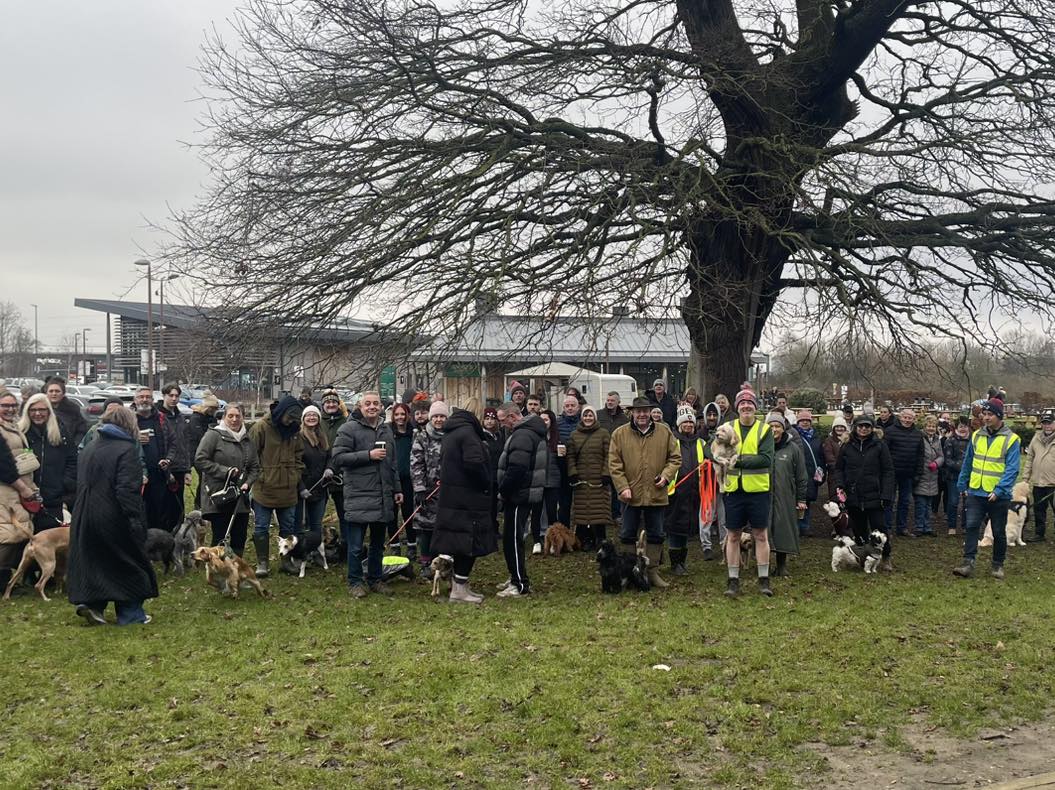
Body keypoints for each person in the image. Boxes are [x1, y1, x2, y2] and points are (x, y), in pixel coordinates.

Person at [66, 405, 158, 626]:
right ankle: (131, 613)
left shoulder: (91, 446)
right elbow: (127, 489)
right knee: (127, 561)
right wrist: (135, 520)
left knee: (95, 561)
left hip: (84, 512)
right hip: (113, 514)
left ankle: (93, 605)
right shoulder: (126, 450)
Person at [331, 391, 402, 597]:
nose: (372, 407)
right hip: (359, 495)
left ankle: (375, 579)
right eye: (367, 404)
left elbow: (393, 463)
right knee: (355, 546)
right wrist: (367, 455)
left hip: (382, 496)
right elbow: (338, 458)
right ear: (360, 407)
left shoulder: (386, 430)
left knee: (378, 545)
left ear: (381, 407)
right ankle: (355, 582)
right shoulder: (348, 429)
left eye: (376, 404)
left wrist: (396, 489)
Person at [608, 396, 680, 589]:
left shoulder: (664, 432)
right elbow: (614, 464)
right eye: (638, 411)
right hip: (630, 494)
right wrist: (622, 487)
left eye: (645, 411)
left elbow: (675, 458)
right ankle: (630, 572)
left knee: (656, 533)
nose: (642, 414)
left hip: (656, 493)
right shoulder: (619, 434)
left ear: (650, 412)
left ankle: (652, 572)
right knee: (627, 534)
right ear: (632, 412)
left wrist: (666, 477)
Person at [431, 406, 498, 603]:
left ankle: (460, 585)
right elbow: (475, 464)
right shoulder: (468, 435)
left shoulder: (451, 434)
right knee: (469, 543)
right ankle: (459, 589)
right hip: (469, 499)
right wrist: (486, 483)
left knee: (459, 543)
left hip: (453, 498)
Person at [953, 397, 1020, 580]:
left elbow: (1013, 469)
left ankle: (997, 565)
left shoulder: (1012, 439)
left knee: (998, 531)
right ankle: (968, 563)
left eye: (990, 414)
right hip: (976, 490)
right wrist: (962, 483)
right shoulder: (976, 435)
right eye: (985, 414)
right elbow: (968, 461)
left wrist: (999, 490)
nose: (986, 418)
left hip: (998, 495)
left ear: (999, 416)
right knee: (972, 526)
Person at [719, 385, 775, 598]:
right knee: (732, 536)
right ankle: (733, 581)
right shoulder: (728, 426)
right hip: (733, 491)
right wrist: (715, 456)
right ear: (737, 407)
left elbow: (766, 459)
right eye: (742, 403)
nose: (746, 407)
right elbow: (712, 448)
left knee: (760, 535)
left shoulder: (765, 430)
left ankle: (763, 580)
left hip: (758, 490)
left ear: (755, 407)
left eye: (750, 403)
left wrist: (737, 461)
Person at [249, 395, 305, 577]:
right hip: (264, 487)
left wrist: (295, 475)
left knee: (288, 527)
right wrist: (261, 475)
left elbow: (299, 455)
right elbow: (250, 455)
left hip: (288, 488)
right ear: (281, 413)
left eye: (294, 419)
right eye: (289, 417)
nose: (290, 422)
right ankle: (262, 562)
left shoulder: (295, 431)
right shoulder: (261, 428)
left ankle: (286, 561)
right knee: (261, 527)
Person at [195, 404, 259, 554]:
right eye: (230, 416)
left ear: (243, 418)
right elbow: (200, 459)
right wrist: (225, 472)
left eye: (238, 416)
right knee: (220, 535)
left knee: (240, 535)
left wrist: (248, 483)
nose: (234, 419)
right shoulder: (213, 435)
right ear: (224, 417)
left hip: (240, 495)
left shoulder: (247, 439)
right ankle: (216, 570)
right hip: (219, 494)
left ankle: (236, 569)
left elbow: (255, 467)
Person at [496, 411, 547, 597]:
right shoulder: (530, 432)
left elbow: (517, 467)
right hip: (523, 493)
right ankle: (515, 576)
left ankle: (519, 584)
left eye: (503, 420)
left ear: (512, 417)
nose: (502, 425)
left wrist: (504, 489)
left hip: (518, 494)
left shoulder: (522, 435)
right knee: (511, 537)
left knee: (513, 539)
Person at [835, 414, 895, 570]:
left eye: (867, 426)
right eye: (860, 426)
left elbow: (888, 471)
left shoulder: (880, 446)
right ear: (855, 427)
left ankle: (886, 556)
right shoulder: (846, 446)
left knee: (880, 528)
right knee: (858, 528)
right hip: (853, 493)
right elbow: (839, 468)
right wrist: (840, 486)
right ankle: (861, 556)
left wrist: (886, 494)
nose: (863, 429)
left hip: (875, 493)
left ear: (872, 428)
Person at [19, 393, 77, 532]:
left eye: (42, 410)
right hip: (26, 499)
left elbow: (73, 460)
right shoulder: (20, 434)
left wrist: (64, 483)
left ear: (48, 411)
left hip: (54, 501)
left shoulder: (61, 433)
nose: (37, 413)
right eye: (33, 410)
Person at [0, 390, 39, 590]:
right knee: (7, 535)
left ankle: (7, 581)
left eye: (13, 405)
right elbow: (3, 466)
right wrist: (23, 488)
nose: (10, 409)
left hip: (15, 489)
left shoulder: (13, 427)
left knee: (16, 533)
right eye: (5, 405)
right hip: (5, 490)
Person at [663, 407, 706, 576]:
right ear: (679, 424)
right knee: (675, 528)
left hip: (694, 493)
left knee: (687, 528)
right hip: (675, 493)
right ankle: (675, 563)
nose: (688, 424)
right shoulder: (672, 441)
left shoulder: (701, 443)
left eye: (691, 422)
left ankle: (682, 561)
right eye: (685, 422)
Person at [132, 386, 181, 533]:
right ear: (135, 400)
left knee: (160, 511)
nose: (145, 399)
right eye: (141, 397)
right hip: (136, 474)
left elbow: (174, 442)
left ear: (153, 400)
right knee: (139, 511)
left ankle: (158, 543)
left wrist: (168, 460)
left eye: (148, 397)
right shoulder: (129, 419)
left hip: (159, 474)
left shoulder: (161, 418)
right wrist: (134, 438)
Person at [766, 411, 807, 578]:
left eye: (777, 426)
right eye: (771, 426)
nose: (774, 429)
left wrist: (801, 498)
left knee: (784, 530)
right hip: (764, 496)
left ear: (783, 429)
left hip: (785, 496)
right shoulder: (761, 446)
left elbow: (801, 475)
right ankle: (764, 565)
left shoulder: (793, 449)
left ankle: (782, 565)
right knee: (764, 531)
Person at [567, 404, 612, 551]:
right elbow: (571, 456)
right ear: (582, 417)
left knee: (599, 511)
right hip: (581, 478)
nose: (588, 418)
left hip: (598, 479)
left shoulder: (604, 433)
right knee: (581, 511)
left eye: (590, 415)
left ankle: (600, 538)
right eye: (585, 415)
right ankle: (585, 539)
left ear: (595, 417)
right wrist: (572, 472)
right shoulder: (574, 435)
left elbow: (609, 455)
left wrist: (606, 473)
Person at [410, 400, 447, 575]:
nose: (439, 420)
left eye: (442, 416)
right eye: (436, 416)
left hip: (447, 490)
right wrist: (419, 488)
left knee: (444, 526)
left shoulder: (452, 436)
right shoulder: (422, 436)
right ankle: (425, 562)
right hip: (426, 490)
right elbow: (416, 463)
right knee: (426, 527)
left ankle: (441, 560)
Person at [294, 406, 331, 556]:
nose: (311, 418)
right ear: (303, 419)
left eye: (314, 415)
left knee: (316, 524)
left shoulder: (322, 437)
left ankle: (316, 552)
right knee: (300, 524)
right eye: (308, 415)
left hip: (320, 488)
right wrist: (301, 487)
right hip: (302, 489)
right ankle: (298, 553)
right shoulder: (298, 437)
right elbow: (295, 463)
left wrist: (330, 468)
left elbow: (329, 456)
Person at [156, 382, 193, 529]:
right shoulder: (158, 417)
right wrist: (167, 471)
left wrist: (188, 470)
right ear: (163, 396)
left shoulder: (180, 417)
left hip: (180, 469)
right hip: (163, 469)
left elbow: (185, 444)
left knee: (178, 509)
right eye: (170, 395)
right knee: (164, 508)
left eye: (176, 396)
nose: (174, 398)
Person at [883, 408, 923, 536]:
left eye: (910, 418)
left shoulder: (918, 434)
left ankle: (902, 527)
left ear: (913, 419)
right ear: (900, 417)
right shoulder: (889, 431)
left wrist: (918, 473)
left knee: (905, 502)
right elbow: (884, 453)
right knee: (889, 501)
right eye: (905, 417)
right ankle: (887, 527)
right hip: (892, 473)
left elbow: (920, 455)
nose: (907, 420)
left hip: (908, 473)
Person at [696, 401, 726, 560]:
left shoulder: (725, 433)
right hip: (707, 482)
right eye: (709, 415)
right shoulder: (699, 435)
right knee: (706, 514)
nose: (712, 417)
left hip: (723, 482)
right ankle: (706, 545)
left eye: (715, 415)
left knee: (723, 516)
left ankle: (725, 544)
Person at [1022, 410, 1055, 542]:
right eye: (1044, 423)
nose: (1047, 426)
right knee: (1039, 510)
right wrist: (1025, 478)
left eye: (1049, 423)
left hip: (1053, 483)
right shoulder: (1036, 438)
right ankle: (1039, 534)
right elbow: (1029, 458)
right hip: (1038, 482)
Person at [390, 402, 416, 558]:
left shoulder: (414, 433)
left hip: (409, 480)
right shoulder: (388, 433)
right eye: (397, 414)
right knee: (392, 514)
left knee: (409, 513)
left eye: (403, 414)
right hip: (392, 479)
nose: (400, 417)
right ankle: (395, 545)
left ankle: (412, 544)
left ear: (407, 416)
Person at [533, 409, 562, 554]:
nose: (543, 422)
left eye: (546, 419)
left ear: (551, 422)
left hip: (553, 479)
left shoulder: (557, 438)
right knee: (536, 511)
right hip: (537, 480)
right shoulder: (534, 437)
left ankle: (552, 540)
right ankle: (537, 540)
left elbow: (562, 462)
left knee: (552, 511)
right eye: (541, 419)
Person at [792, 409, 824, 536]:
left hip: (812, 474)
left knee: (807, 502)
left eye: (807, 420)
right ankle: (795, 526)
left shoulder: (816, 438)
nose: (805, 423)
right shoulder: (794, 437)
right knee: (797, 500)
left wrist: (822, 471)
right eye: (802, 420)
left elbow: (821, 457)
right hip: (799, 472)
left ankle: (804, 526)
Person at [911, 415, 944, 536]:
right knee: (920, 504)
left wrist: (936, 463)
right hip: (921, 475)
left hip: (932, 476)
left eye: (933, 426)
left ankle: (928, 526)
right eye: (929, 426)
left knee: (929, 505)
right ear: (925, 427)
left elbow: (941, 455)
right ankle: (919, 526)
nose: (931, 428)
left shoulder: (937, 440)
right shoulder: (920, 438)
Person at [942, 417, 971, 536]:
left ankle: (965, 525)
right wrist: (962, 468)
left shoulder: (973, 440)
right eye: (961, 426)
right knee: (953, 501)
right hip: (954, 475)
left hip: (970, 476)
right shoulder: (950, 440)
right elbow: (947, 460)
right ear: (956, 428)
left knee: (968, 502)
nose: (963, 429)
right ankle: (952, 526)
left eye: (965, 426)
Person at [555, 395, 580, 524]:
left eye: (572, 406)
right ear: (563, 408)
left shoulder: (583, 421)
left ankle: (581, 532)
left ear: (578, 407)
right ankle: (563, 528)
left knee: (581, 501)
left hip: (581, 465)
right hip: (563, 466)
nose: (570, 408)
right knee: (564, 501)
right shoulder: (557, 423)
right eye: (567, 406)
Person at [43, 376, 88, 447]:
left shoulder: (73, 409)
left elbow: (81, 430)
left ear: (63, 394)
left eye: (57, 391)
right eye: (51, 391)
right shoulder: (40, 409)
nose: (54, 394)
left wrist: (74, 445)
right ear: (46, 393)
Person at [186, 391, 221, 458]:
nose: (215, 410)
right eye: (213, 408)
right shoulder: (196, 418)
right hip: (196, 451)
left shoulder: (212, 418)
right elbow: (199, 436)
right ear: (208, 407)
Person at [822, 415, 849, 502]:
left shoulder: (850, 440)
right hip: (834, 474)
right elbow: (829, 457)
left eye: (842, 427)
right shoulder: (829, 441)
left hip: (848, 473)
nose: (839, 429)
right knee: (836, 499)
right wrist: (839, 468)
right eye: (837, 426)